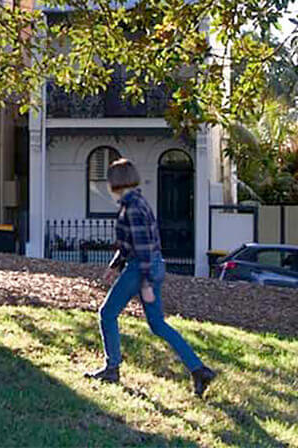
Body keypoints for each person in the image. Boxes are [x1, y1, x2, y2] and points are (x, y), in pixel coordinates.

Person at [85, 158, 218, 397]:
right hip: (152, 265)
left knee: (107, 313)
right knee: (158, 325)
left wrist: (145, 283)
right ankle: (199, 370)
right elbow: (131, 244)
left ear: (116, 182)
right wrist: (115, 266)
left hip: (142, 268)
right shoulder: (137, 202)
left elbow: (143, 248)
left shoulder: (132, 208)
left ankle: (112, 368)